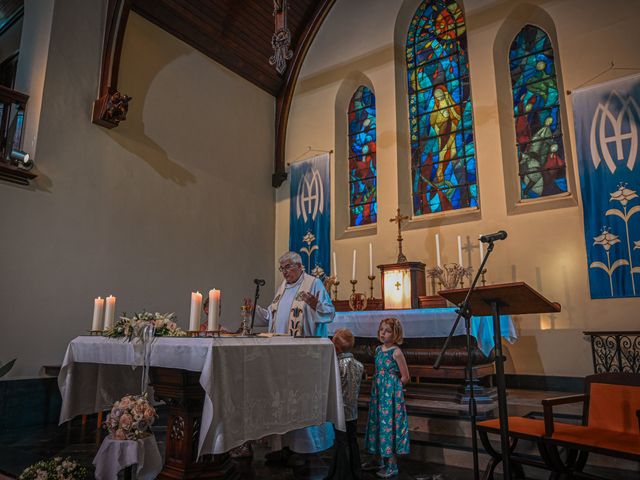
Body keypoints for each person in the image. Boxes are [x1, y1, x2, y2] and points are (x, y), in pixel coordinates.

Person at [247, 251, 336, 464]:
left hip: (304, 354)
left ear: (299, 266)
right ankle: (283, 446)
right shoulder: (282, 288)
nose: (284, 272)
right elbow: (271, 316)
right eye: (282, 268)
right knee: (283, 400)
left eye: (287, 267)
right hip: (281, 354)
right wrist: (255, 310)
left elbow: (330, 312)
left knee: (302, 399)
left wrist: (316, 305)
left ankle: (306, 447)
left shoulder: (313, 284)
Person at [362, 318, 410, 479]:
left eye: (387, 331)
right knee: (377, 424)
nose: (383, 333)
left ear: (395, 334)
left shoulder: (396, 352)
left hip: (390, 397)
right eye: (381, 330)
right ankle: (378, 459)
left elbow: (405, 377)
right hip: (378, 394)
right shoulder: (378, 350)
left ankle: (392, 465)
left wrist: (394, 390)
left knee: (389, 427)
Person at [325, 328, 364, 480]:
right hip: (353, 411)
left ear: (336, 348)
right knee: (352, 441)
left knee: (341, 442)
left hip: (340, 411)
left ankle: (341, 474)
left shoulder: (336, 366)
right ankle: (355, 471)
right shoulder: (359, 365)